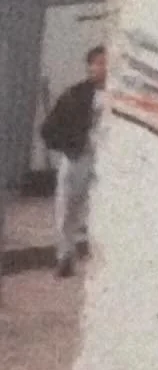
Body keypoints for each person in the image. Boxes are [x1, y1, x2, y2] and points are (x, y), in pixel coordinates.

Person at [40, 44, 106, 278]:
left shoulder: (124, 97)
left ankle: (101, 263)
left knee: (103, 212)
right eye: (98, 62)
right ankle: (65, 256)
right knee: (67, 209)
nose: (103, 67)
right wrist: (70, 145)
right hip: (79, 158)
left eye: (107, 62)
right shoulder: (75, 94)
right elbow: (49, 129)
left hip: (110, 164)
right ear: (89, 66)